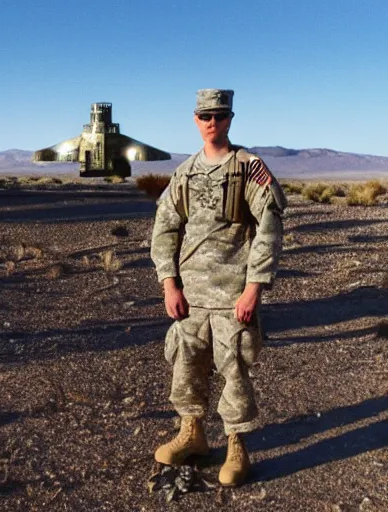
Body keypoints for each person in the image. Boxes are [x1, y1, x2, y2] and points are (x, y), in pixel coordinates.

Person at [150, 89, 286, 487]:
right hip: (190, 297)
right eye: (205, 116)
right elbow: (164, 228)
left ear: (230, 119)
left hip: (232, 294)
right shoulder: (185, 173)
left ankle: (236, 446)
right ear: (196, 120)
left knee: (234, 369)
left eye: (220, 115)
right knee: (186, 364)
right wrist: (169, 283)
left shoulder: (248, 167)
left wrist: (254, 287)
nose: (212, 122)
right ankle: (192, 434)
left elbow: (270, 228)